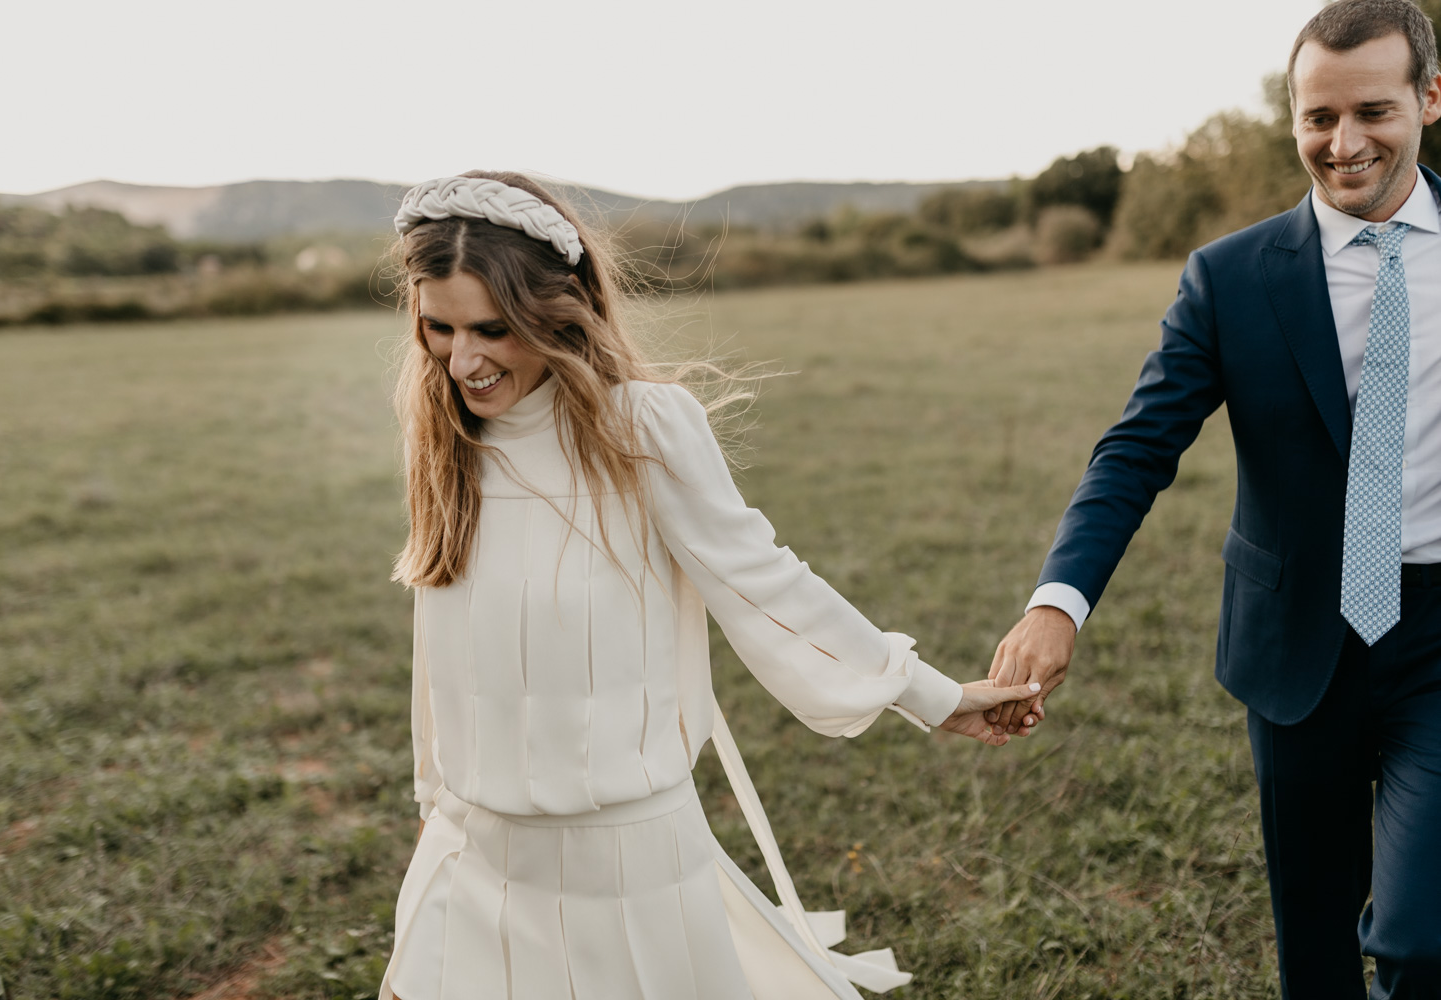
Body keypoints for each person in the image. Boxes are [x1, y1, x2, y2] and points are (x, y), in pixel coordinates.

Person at [378, 170, 1042, 1000]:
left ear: (556, 312)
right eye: (439, 328)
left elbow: (761, 578)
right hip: (472, 851)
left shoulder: (641, 429)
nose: (464, 360)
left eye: (492, 329)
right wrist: (433, 798)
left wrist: (928, 693)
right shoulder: (445, 438)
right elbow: (438, 642)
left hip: (622, 865)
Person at [985, 1, 1441, 996]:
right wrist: (1057, 602)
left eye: (1373, 109)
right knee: (1316, 950)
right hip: (1296, 647)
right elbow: (1137, 448)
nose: (1345, 141)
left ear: (1430, 99)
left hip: (1439, 637)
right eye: (1319, 118)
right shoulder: (1229, 278)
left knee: (1420, 940)